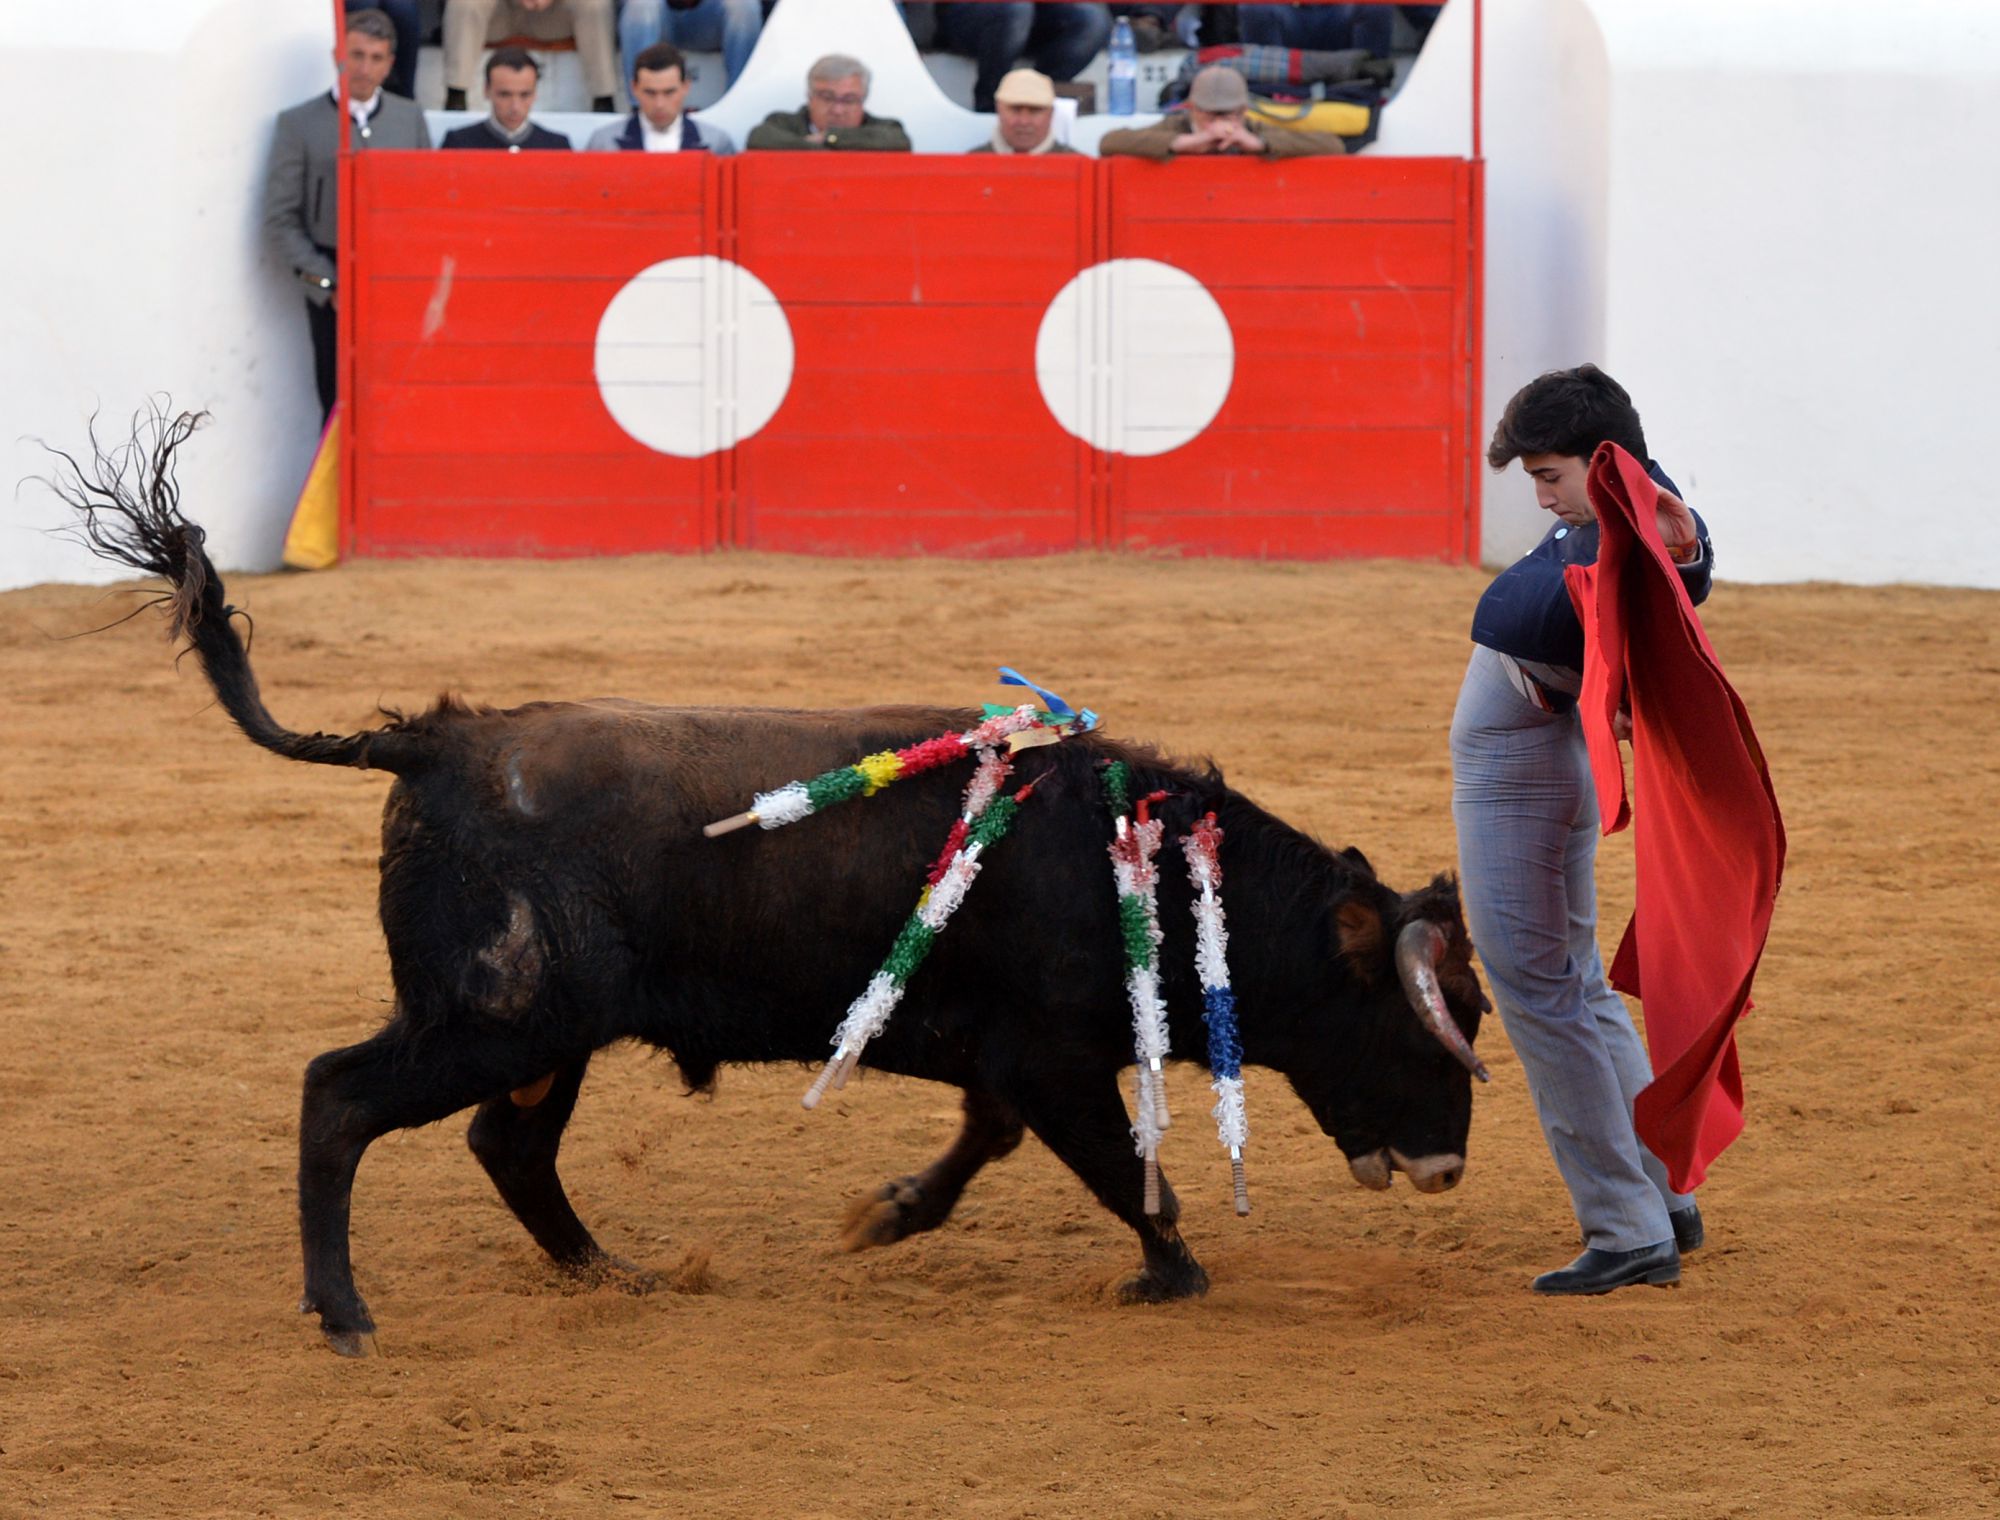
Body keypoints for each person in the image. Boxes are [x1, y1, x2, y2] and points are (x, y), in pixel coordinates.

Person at [1449, 364, 1713, 1296]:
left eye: (1549, 474)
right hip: (1543, 756)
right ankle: (1662, 1195)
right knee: (1578, 984)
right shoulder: (1631, 514)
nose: (1542, 496)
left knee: (1538, 989)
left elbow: (1517, 609)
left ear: (1601, 461)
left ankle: (1625, 1226)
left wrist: (1671, 550)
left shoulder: (1616, 537)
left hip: (1518, 769)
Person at [263, 8, 430, 424]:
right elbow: (280, 219)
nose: (364, 68)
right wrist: (327, 283)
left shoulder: (408, 119)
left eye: (376, 58)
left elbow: (424, 206)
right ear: (339, 53)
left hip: (395, 275)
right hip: (332, 271)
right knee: (338, 401)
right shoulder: (300, 124)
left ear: (391, 62)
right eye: (357, 55)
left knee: (398, 399)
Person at [1099, 63, 1343, 158]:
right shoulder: (1176, 126)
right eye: (1209, 113)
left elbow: (1333, 146)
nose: (1217, 121)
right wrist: (1181, 142)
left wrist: (1260, 144)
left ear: (1243, 110)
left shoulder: (1252, 128)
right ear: (1192, 108)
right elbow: (1110, 142)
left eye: (1226, 114)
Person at [442, 0, 620, 113]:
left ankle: (603, 99)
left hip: (555, 14)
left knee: (595, 4)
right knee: (463, 3)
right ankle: (456, 95)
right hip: (499, 12)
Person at [931, 3, 1111, 114]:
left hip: (1036, 14)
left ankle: (1036, 99)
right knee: (1017, 8)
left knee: (1092, 21)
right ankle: (991, 106)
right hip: (970, 15)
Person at [585, 41, 735, 151]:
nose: (659, 104)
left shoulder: (717, 144)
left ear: (685, 87)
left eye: (669, 92)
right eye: (650, 93)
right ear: (634, 88)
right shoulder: (603, 144)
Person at [746, 54, 911, 151]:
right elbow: (758, 139)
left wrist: (829, 137)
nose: (838, 110)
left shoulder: (886, 129)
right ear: (810, 97)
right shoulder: (781, 123)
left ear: (863, 99)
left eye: (849, 100)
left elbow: (899, 142)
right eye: (827, 97)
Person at [442, 47, 574, 149]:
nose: (515, 106)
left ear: (535, 93)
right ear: (486, 90)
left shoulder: (557, 146)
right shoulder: (458, 143)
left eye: (524, 95)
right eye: (505, 95)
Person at [616, 0, 766, 90]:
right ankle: (639, 109)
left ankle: (738, 99)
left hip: (711, 20)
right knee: (641, 4)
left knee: (744, 6)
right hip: (657, 18)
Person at [967, 68, 1078, 156]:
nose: (1024, 121)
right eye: (1015, 109)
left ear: (1051, 113)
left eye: (1035, 110)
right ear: (998, 109)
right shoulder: (967, 166)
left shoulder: (1082, 167)